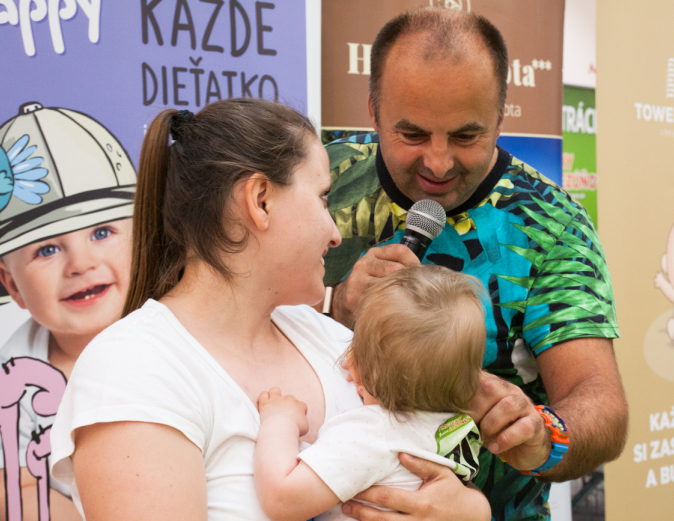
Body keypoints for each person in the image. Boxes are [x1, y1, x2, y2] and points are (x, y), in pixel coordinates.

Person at [48, 99, 491, 521]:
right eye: (322, 198)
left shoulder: (331, 339)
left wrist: (471, 510)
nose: (335, 233)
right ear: (260, 199)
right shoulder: (132, 373)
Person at [320, 8, 629, 521]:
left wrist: (540, 434)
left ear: (502, 116)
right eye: (413, 135)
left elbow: (601, 403)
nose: (438, 162)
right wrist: (330, 306)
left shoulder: (551, 224)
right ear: (372, 111)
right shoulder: (320, 179)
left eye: (466, 136)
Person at [255, 265, 487, 521]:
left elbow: (282, 500)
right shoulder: (458, 428)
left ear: (358, 367)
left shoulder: (371, 433)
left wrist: (280, 421)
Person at [0, 102, 137, 521]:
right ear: (12, 286)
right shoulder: (15, 378)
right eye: (47, 249)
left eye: (101, 232)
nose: (80, 264)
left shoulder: (184, 328)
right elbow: (20, 487)